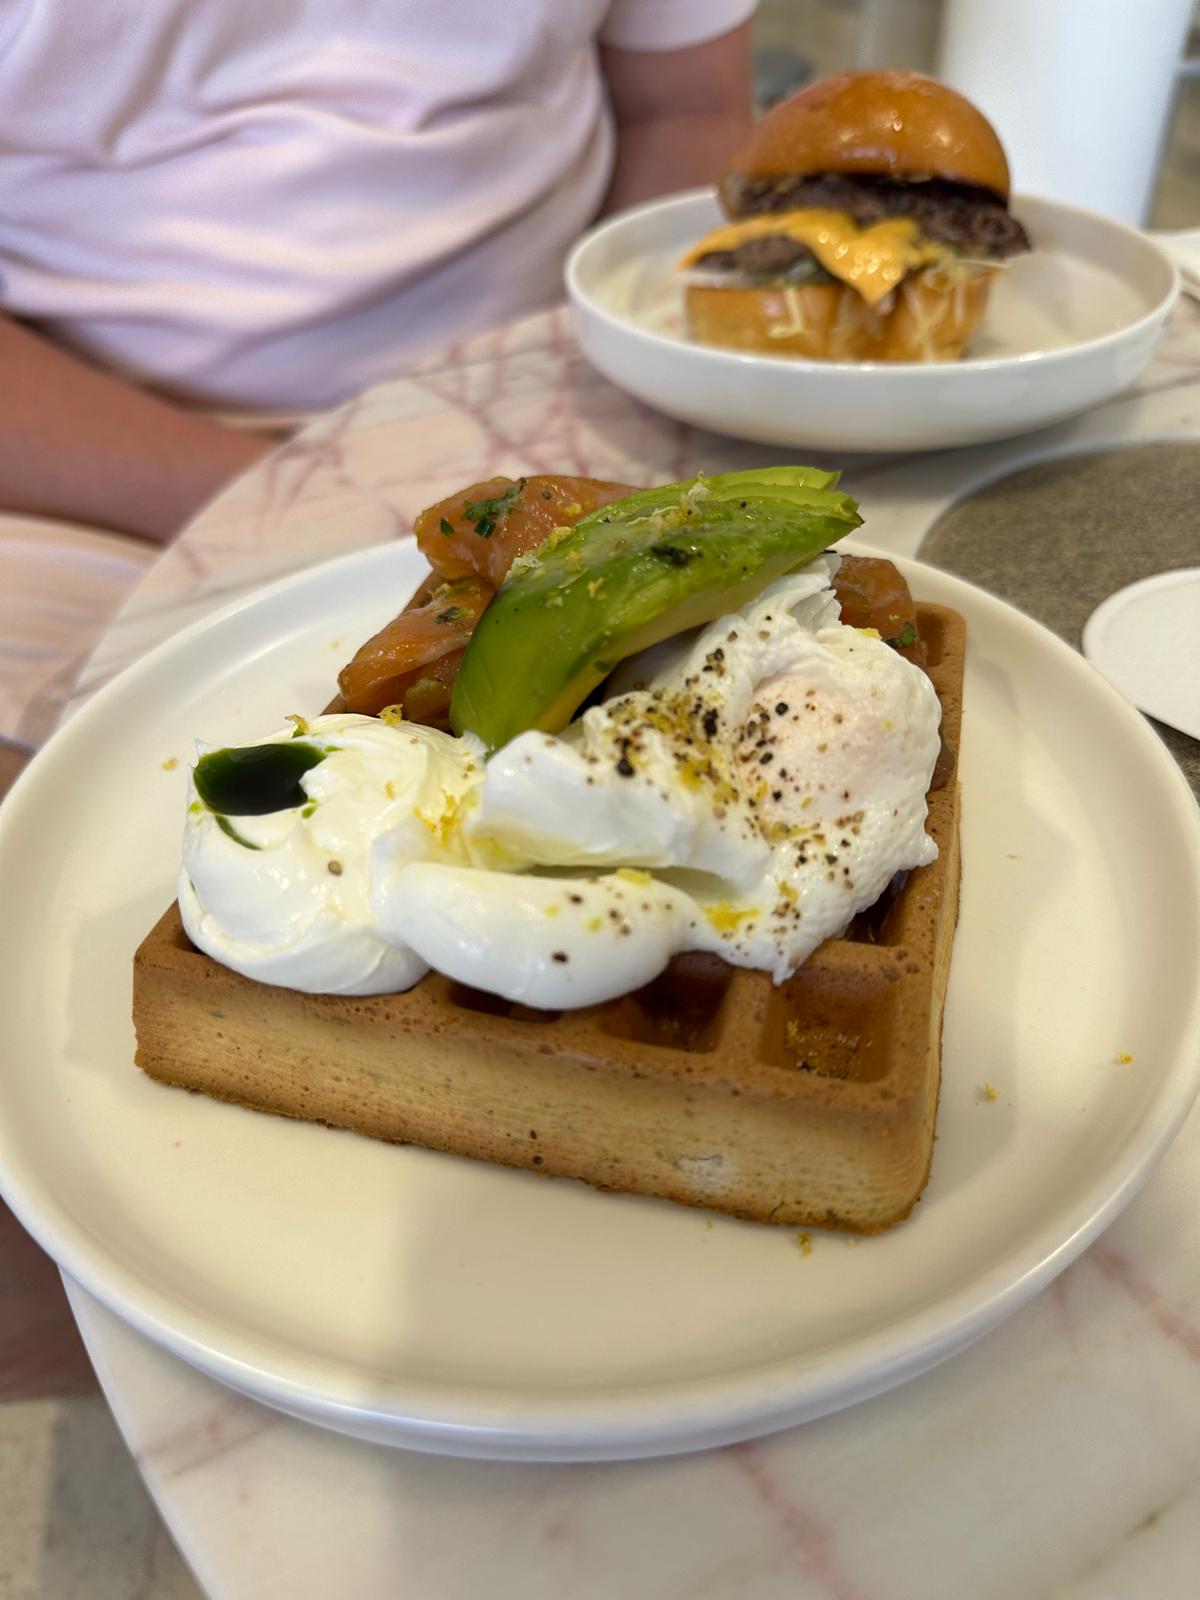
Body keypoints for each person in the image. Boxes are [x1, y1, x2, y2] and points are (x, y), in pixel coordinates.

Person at [0, 0, 757, 1398]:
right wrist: (266, 505)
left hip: (558, 415)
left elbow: (685, 104)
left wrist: (642, 371)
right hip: (85, 467)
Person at [0, 0, 756, 748]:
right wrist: (291, 501)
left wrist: (622, 355)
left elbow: (684, 104)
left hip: (561, 395)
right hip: (84, 475)